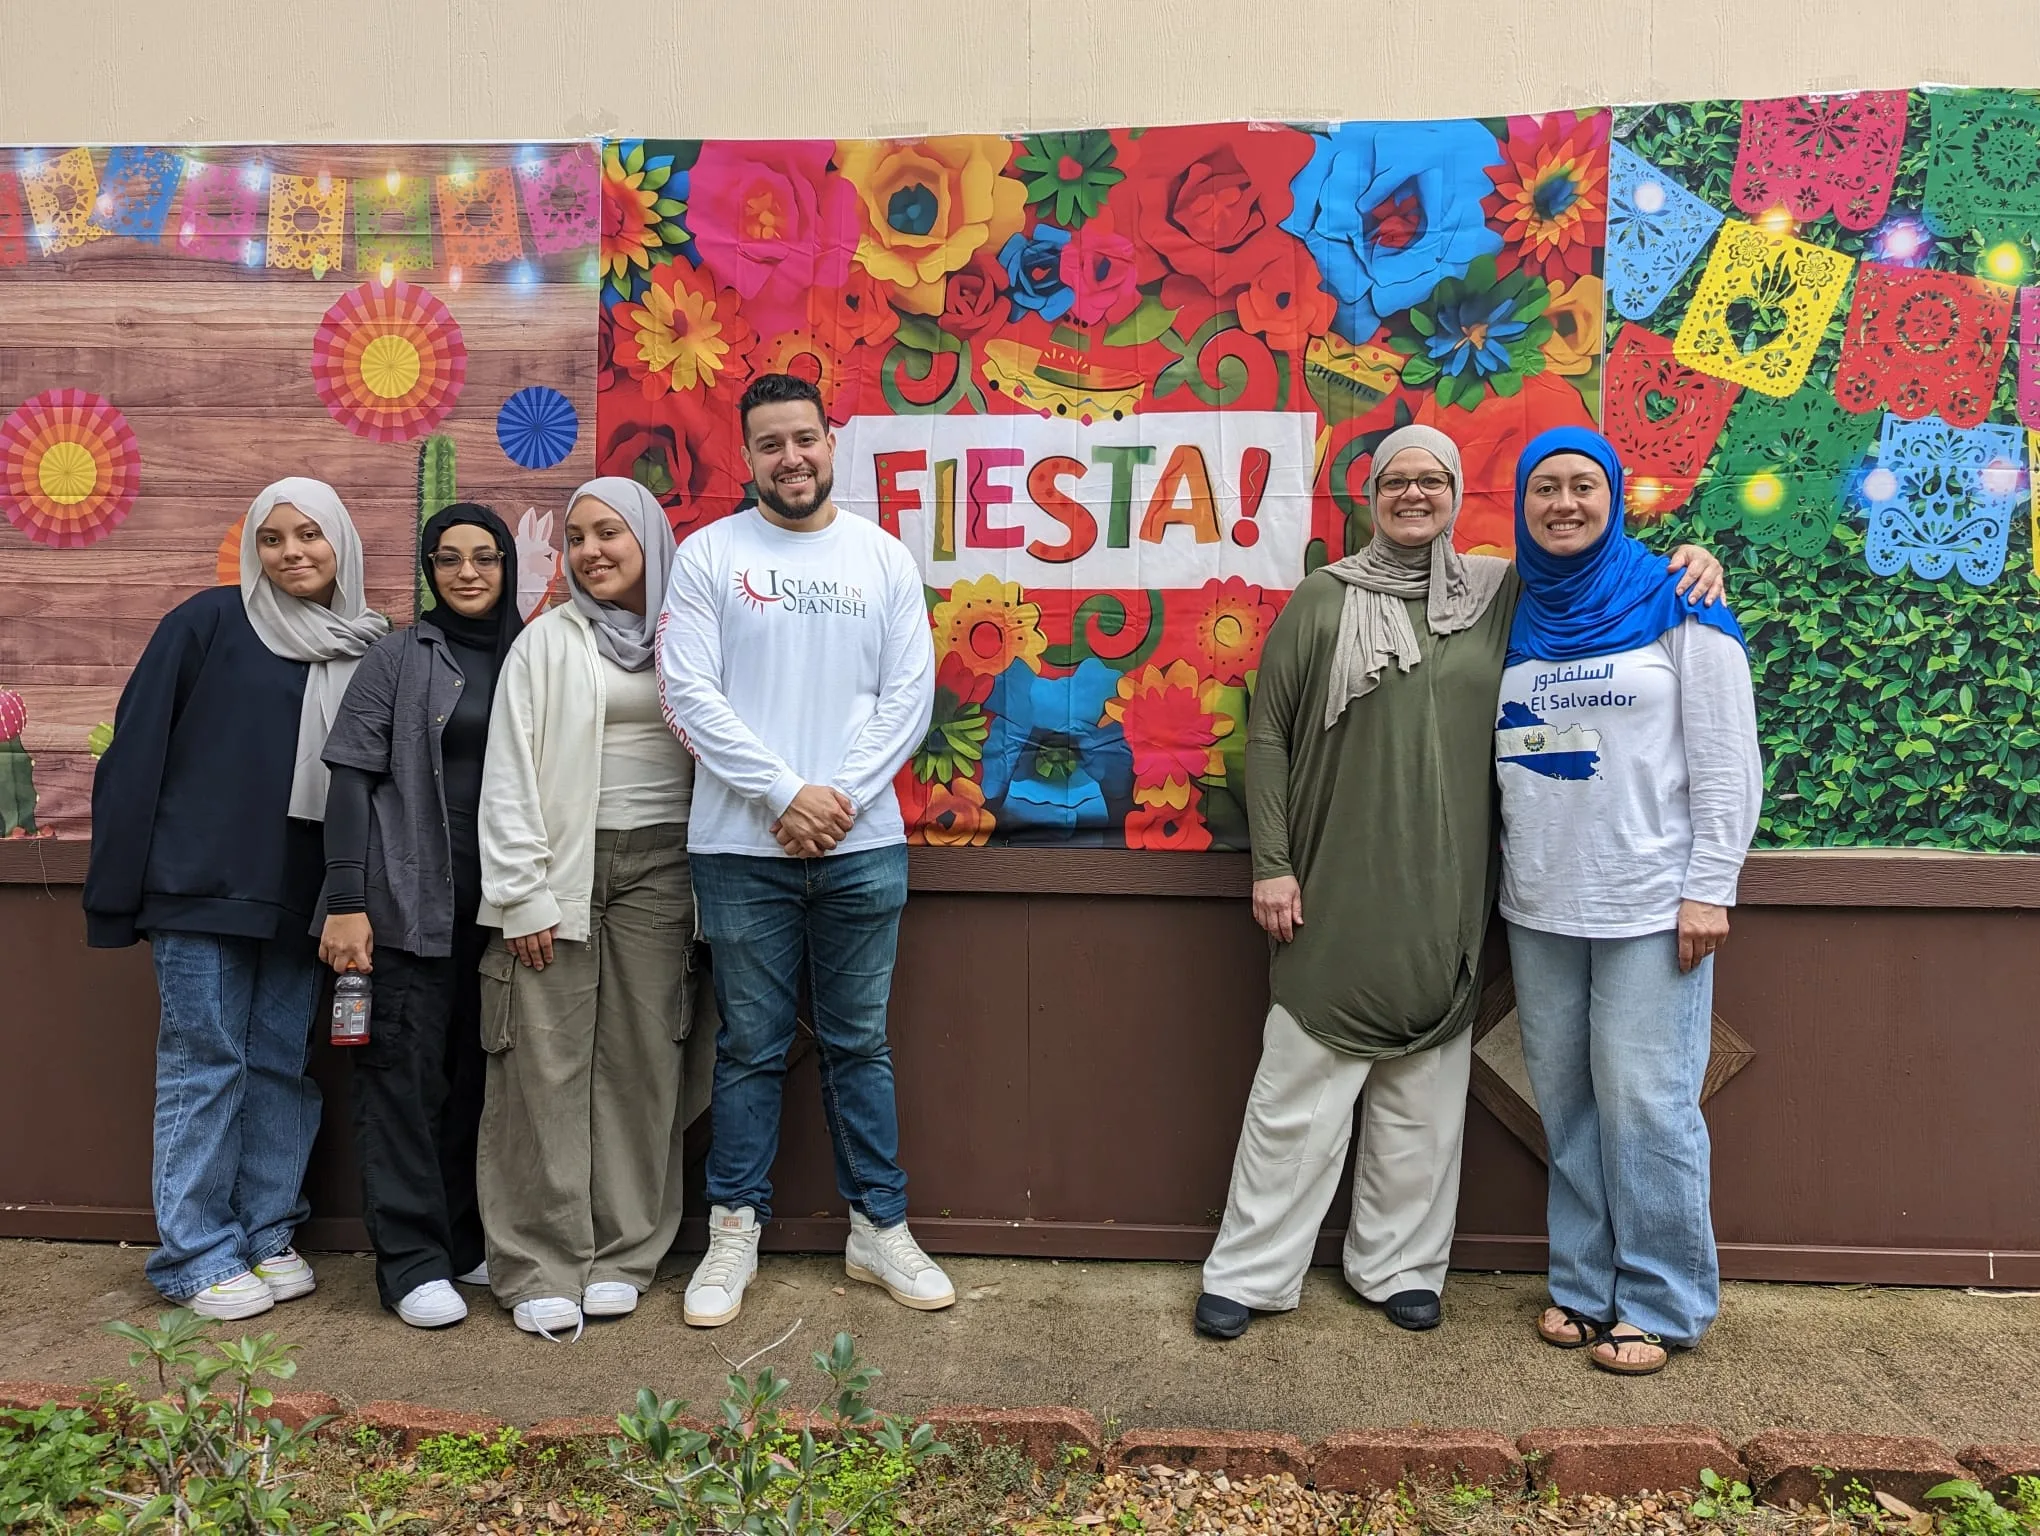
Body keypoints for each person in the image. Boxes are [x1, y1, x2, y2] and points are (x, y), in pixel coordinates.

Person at [1195, 427, 1725, 1341]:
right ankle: (1250, 1269)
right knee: (1301, 1086)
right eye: (1395, 480)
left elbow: (1594, 573)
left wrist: (1692, 559)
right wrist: (1272, 865)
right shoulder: (1323, 602)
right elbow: (1270, 735)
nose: (1413, 494)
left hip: (1455, 892)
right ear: (1368, 495)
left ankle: (1399, 1266)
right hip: (1338, 887)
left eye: (1432, 480)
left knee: (1426, 1101)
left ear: (1456, 494)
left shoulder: (1496, 593)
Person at [659, 372, 945, 1328]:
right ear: (748, 457)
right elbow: (691, 696)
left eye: (805, 440)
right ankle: (732, 1230)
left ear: (834, 444)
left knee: (860, 1043)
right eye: (771, 444)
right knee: (749, 1048)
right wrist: (785, 795)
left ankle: (879, 1227)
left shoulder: (882, 559)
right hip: (740, 851)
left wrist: (839, 800)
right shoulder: (708, 557)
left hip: (864, 850)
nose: (791, 458)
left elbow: (909, 697)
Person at [84, 479, 389, 1319]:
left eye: (310, 536)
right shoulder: (207, 624)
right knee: (204, 1063)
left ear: (343, 546)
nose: (292, 553)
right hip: (199, 892)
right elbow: (136, 754)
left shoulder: (365, 647)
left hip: (302, 900)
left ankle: (263, 1235)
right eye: (273, 537)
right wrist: (119, 892)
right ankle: (194, 1255)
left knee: (279, 1069)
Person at [1497, 426, 1760, 1377]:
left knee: (1648, 1106)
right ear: (1522, 505)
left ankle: (1662, 1299)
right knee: (1566, 1105)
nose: (1564, 504)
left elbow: (1728, 757)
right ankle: (1583, 1284)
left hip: (1653, 904)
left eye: (1584, 488)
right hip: (1539, 902)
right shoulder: (1511, 605)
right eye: (1544, 490)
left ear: (1615, 497)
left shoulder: (1677, 597)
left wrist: (1710, 889)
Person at [474, 476, 695, 1341]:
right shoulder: (546, 642)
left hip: (666, 868)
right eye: (578, 538)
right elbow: (510, 771)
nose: (593, 550)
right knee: (544, 1062)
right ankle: (539, 1260)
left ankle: (624, 1254)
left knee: (647, 1060)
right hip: (561, 869)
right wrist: (522, 893)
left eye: (612, 533)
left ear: (649, 538)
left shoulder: (693, 634)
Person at [315, 504, 523, 1329]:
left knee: (477, 1085)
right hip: (405, 910)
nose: (467, 573)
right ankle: (408, 1263)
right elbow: (348, 781)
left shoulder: (532, 652)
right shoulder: (398, 656)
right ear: (428, 570)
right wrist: (347, 902)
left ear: (509, 566)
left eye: (485, 557)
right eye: (448, 559)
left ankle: (461, 1238)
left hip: (503, 913)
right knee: (401, 1082)